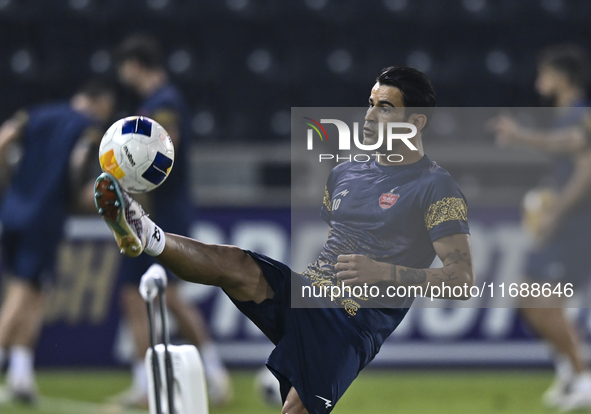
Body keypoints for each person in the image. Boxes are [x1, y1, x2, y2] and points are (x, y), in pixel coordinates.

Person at [95, 66, 475, 414]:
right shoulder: (346, 173)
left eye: (386, 108)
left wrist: (383, 271)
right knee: (236, 264)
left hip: (352, 324)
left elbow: (461, 280)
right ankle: (146, 232)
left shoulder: (436, 188)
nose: (371, 116)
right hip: (309, 294)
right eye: (370, 104)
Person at [111, 34, 231, 407]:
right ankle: (159, 381)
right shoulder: (157, 101)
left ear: (134, 64)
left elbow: (165, 149)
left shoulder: (163, 102)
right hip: (155, 210)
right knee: (139, 295)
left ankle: (202, 374)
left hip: (162, 211)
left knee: (164, 294)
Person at [0, 79, 116, 403]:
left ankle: (21, 375)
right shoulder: (90, 128)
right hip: (45, 217)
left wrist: (8, 187)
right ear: (100, 102)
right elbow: (78, 170)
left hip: (12, 212)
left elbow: (4, 138)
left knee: (35, 291)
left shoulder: (38, 114)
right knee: (24, 292)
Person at [490, 44, 591, 411]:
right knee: (531, 299)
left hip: (577, 226)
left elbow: (585, 164)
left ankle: (582, 378)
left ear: (560, 78)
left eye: (544, 74)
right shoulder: (567, 115)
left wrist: (557, 210)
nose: (539, 82)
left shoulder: (580, 114)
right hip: (567, 225)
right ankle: (571, 371)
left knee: (541, 299)